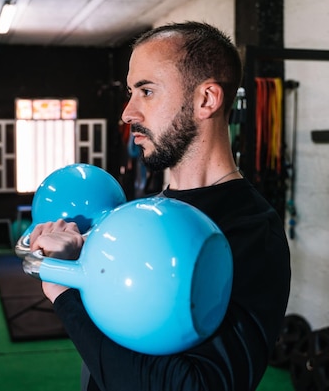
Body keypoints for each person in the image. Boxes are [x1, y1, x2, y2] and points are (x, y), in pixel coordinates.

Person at [29, 21, 291, 391]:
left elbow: (197, 386)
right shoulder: (147, 213)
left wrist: (65, 294)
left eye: (146, 91)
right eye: (130, 92)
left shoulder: (251, 231)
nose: (127, 113)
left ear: (206, 100)